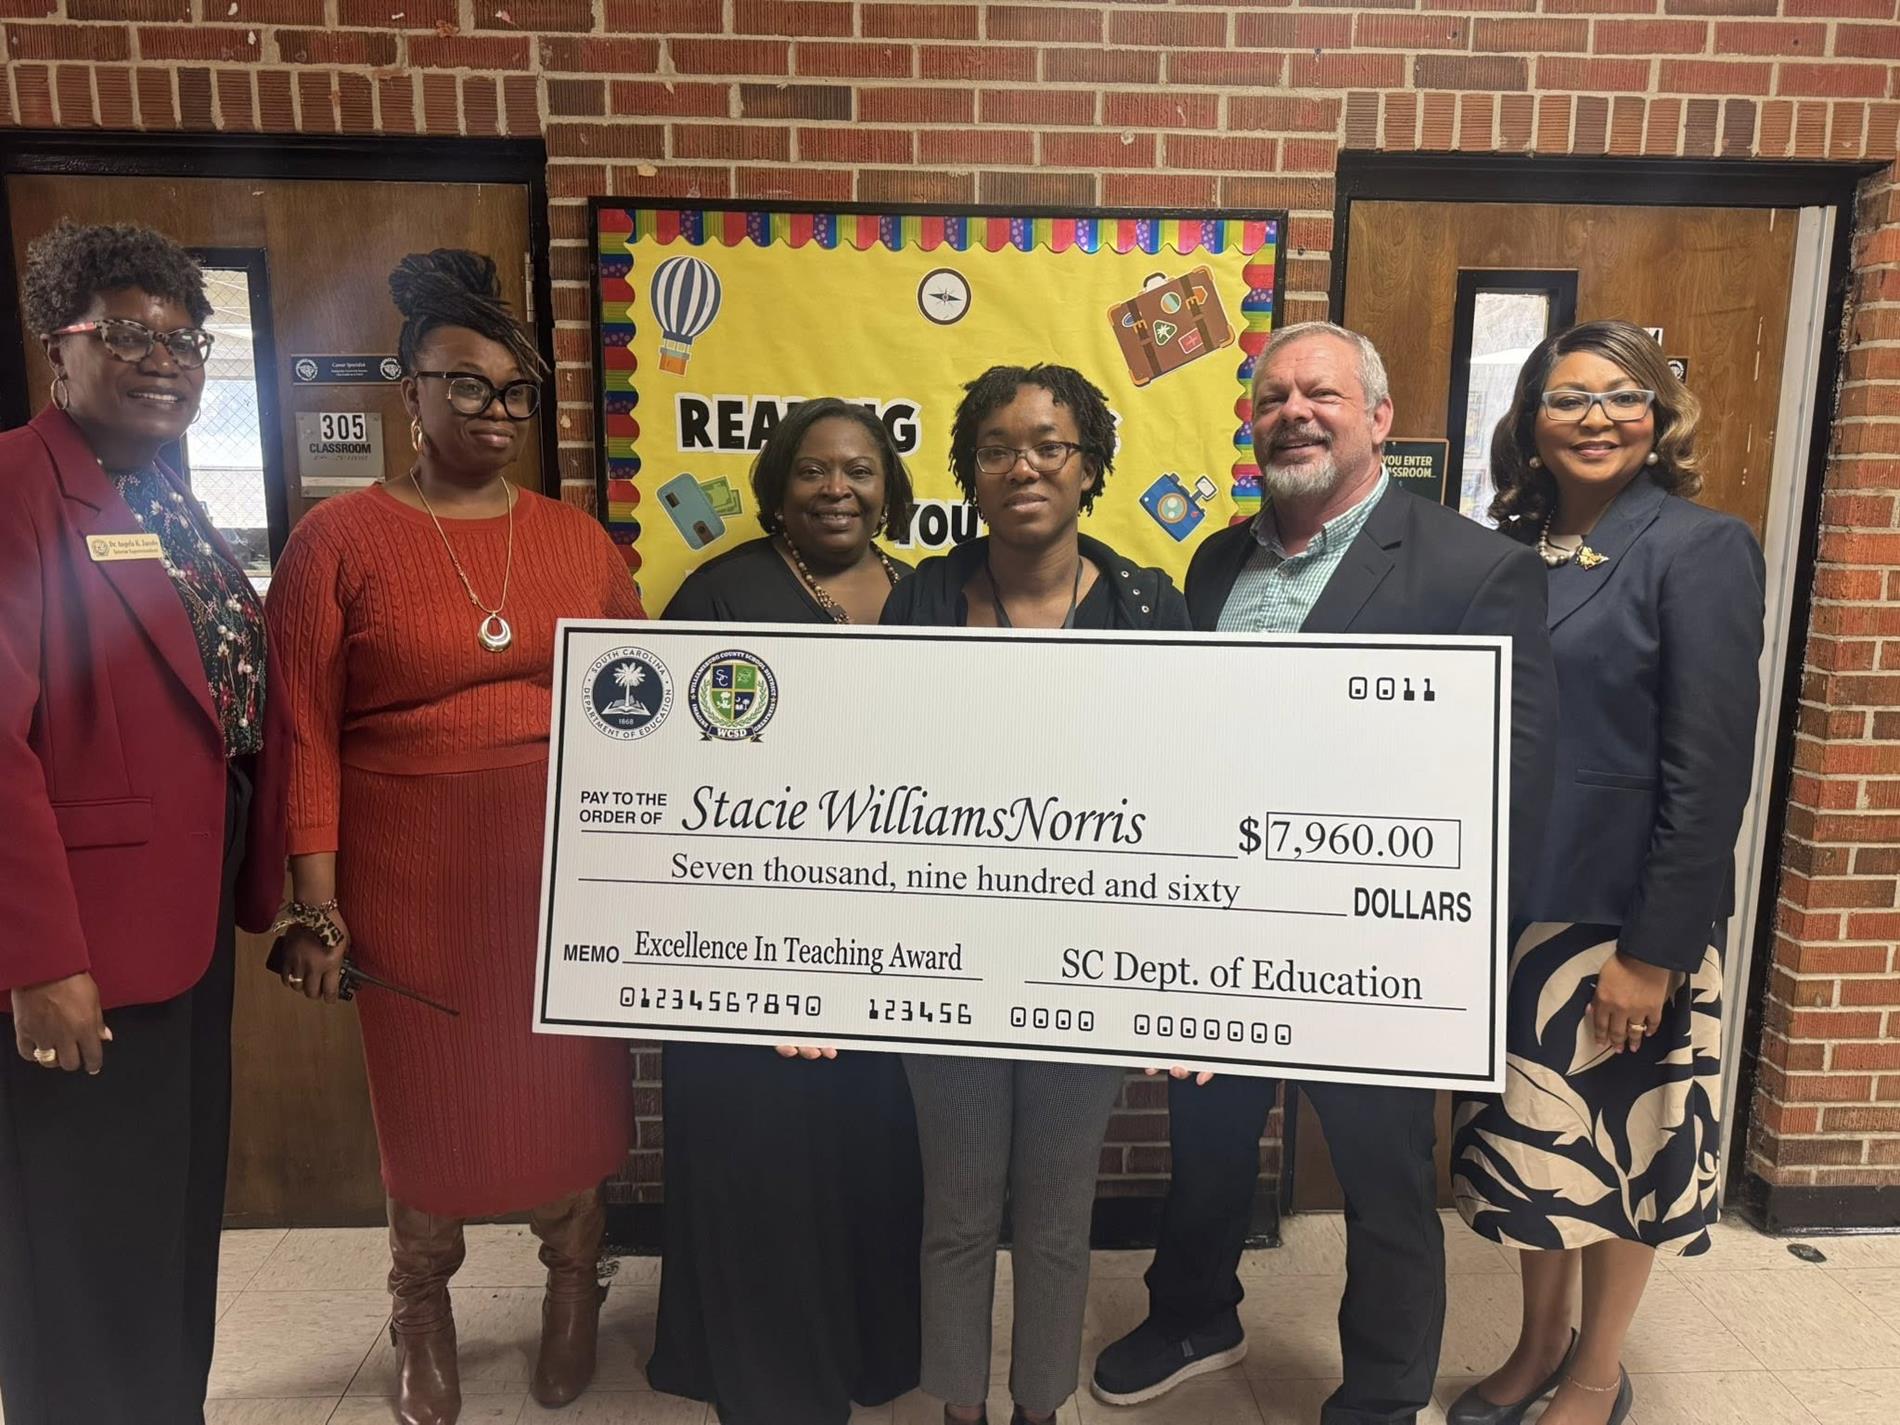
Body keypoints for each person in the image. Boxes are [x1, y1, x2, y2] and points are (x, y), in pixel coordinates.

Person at [1091, 322, 1559, 1425]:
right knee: (1206, 1136)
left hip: (1381, 943)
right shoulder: (1214, 561)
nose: (1294, 412)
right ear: (1249, 424)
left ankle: (1387, 1389)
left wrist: (1460, 959)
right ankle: (1195, 1311)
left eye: (1323, 395)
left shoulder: (1470, 567)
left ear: (1378, 421)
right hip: (1227, 922)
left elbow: (1517, 778)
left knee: (1384, 1175)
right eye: (1272, 397)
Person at [266, 250, 641, 1425]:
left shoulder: (578, 540)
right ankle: (419, 1306)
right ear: (408, 391)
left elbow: (639, 705)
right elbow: (304, 737)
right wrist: (317, 908)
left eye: (516, 392)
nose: (495, 411)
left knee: (567, 1100)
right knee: (430, 1119)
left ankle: (572, 1287)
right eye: (467, 385)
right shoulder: (337, 542)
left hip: (556, 881)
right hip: (409, 877)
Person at [1447, 320, 1764, 1425]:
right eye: (1567, 397)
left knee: (1623, 1155)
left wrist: (1654, 950)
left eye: (1621, 396)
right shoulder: (1503, 551)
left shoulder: (1697, 546)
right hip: (1519, 916)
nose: (1594, 418)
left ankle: (1595, 1372)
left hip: (1625, 927)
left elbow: (1710, 765)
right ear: (1528, 423)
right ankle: (1536, 1345)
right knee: (1539, 1155)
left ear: (1657, 415)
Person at [0, 220, 287, 1424]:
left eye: (184, 337)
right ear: (56, 347)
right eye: (125, 333)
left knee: (166, 1214)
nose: (163, 357)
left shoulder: (164, 496)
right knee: (82, 1241)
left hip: (178, 930)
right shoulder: (18, 485)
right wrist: (42, 959)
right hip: (89, 950)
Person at [882, 364, 1192, 1425]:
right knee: (958, 1213)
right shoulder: (919, 599)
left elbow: (1189, 791)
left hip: (1088, 964)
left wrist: (1177, 979)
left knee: (1059, 1215)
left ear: (1089, 466)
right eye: (999, 446)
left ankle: (1039, 1408)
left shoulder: (1151, 605)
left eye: (1050, 444)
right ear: (968, 471)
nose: (1024, 464)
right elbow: (869, 778)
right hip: (949, 959)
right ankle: (960, 1408)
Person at [647, 398, 925, 1424]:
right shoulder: (719, 595)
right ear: (777, 484)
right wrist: (755, 966)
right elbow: (673, 789)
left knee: (873, 1154)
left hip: (893, 943)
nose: (839, 489)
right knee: (764, 1158)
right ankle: (767, 1369)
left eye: (859, 470)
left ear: (888, 486)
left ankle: (870, 1353)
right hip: (748, 949)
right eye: (813, 471)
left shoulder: (926, 594)